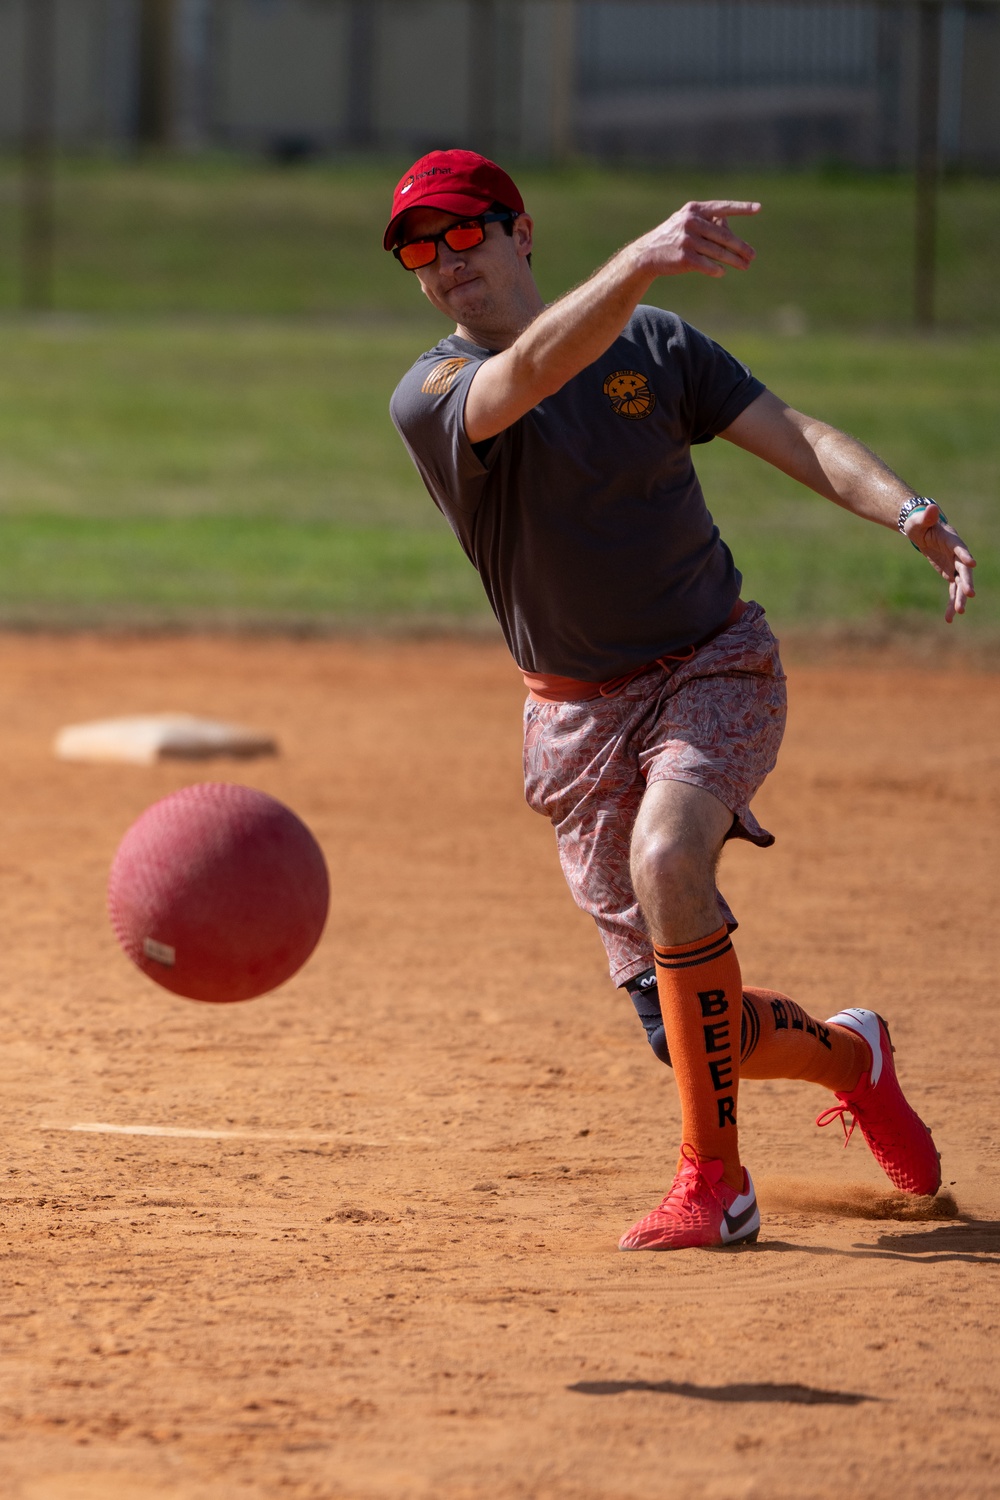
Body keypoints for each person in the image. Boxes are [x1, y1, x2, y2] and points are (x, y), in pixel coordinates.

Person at [385, 149, 976, 1252]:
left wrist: (905, 511)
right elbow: (524, 377)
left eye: (463, 233)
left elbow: (792, 433)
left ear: (521, 233)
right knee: (685, 1033)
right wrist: (642, 261)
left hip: (713, 666)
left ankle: (717, 1184)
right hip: (574, 721)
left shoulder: (655, 347)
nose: (442, 263)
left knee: (668, 858)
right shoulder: (431, 395)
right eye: (418, 250)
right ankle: (854, 1057)